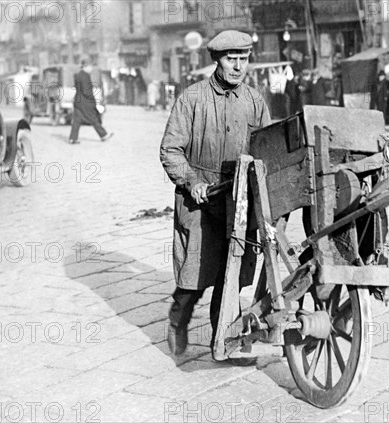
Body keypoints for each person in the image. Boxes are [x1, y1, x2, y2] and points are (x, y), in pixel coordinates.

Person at [160, 30, 271, 359]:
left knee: (231, 275)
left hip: (238, 202)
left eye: (243, 59)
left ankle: (222, 340)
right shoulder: (192, 99)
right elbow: (170, 150)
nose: (238, 67)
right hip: (200, 202)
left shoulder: (255, 101)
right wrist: (190, 180)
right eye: (230, 59)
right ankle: (177, 321)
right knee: (194, 275)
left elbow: (268, 148)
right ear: (216, 61)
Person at [68, 58, 114, 144]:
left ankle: (72, 138)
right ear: (85, 67)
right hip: (86, 102)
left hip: (77, 101)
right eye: (90, 67)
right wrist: (93, 100)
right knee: (93, 119)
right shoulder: (85, 76)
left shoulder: (77, 75)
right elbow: (86, 91)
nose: (91, 69)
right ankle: (103, 135)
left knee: (77, 120)